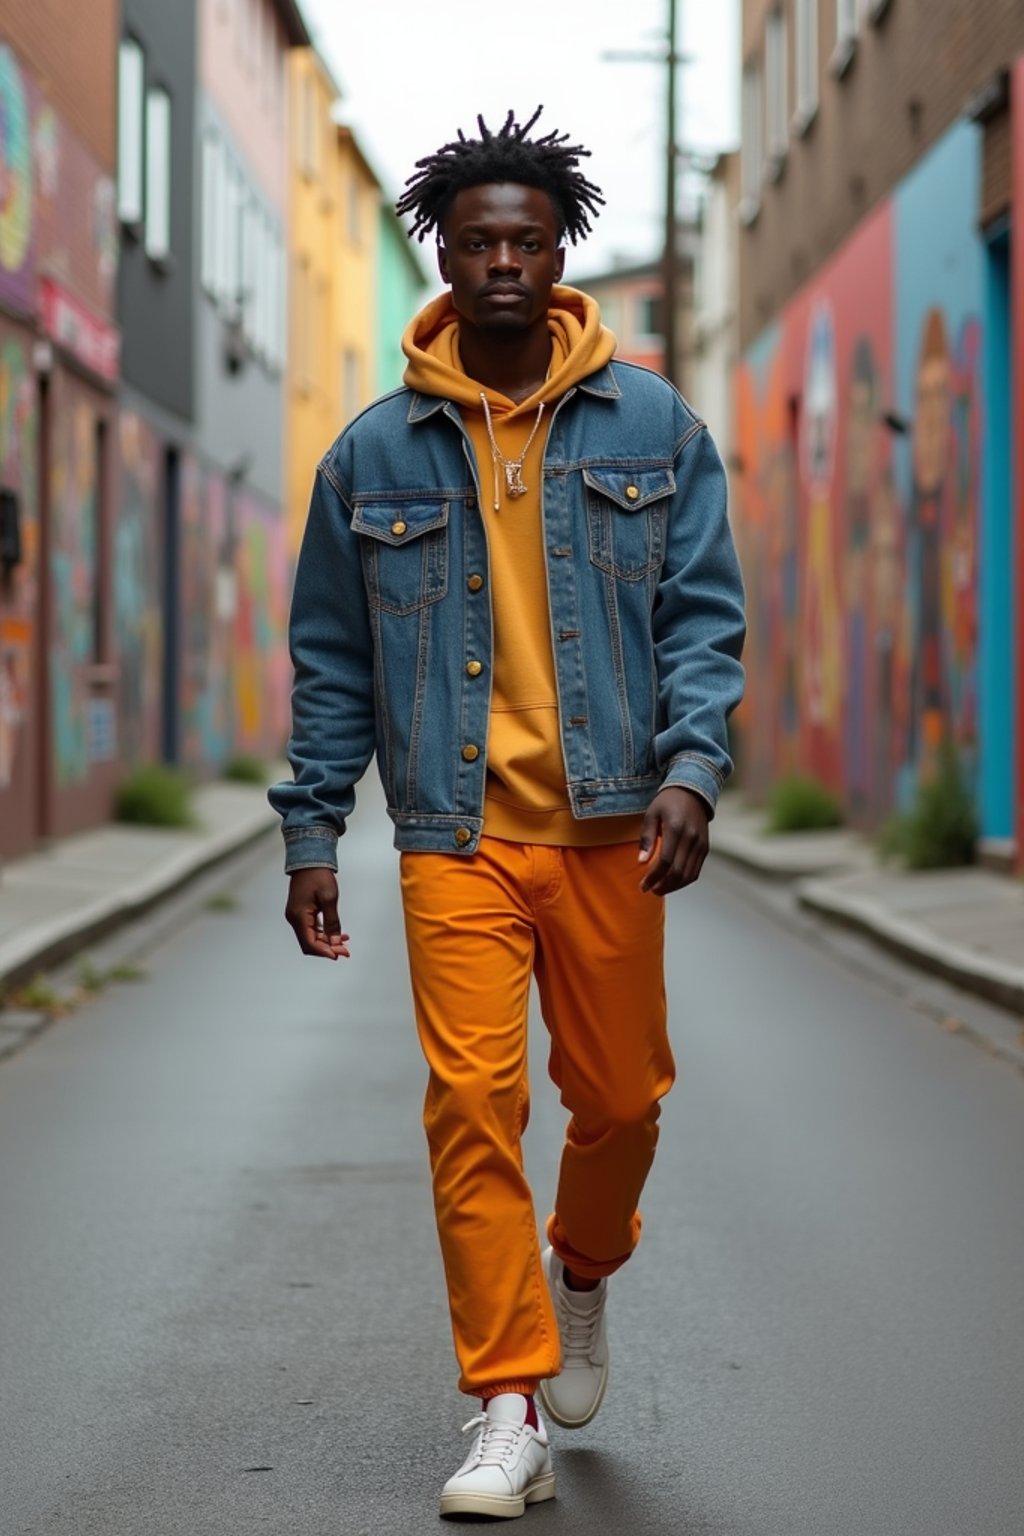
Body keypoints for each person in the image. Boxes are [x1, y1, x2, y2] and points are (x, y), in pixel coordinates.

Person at [269, 107, 745, 1522]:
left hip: (611, 829)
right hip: (454, 834)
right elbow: (331, 659)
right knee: (472, 1104)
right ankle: (507, 1401)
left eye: (525, 241)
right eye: (476, 241)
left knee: (618, 1101)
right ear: (443, 250)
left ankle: (583, 1268)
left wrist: (690, 767)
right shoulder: (371, 456)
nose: (501, 264)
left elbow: (703, 620)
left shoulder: (658, 426)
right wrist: (311, 834)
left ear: (560, 254)